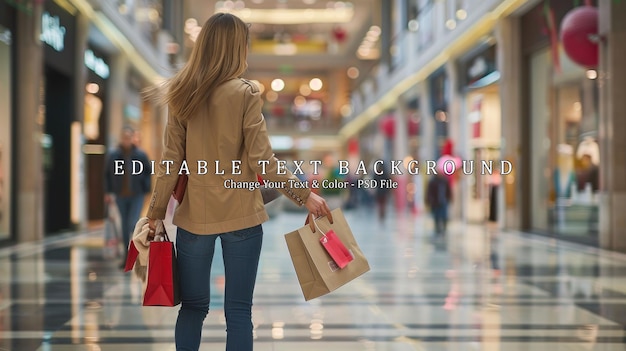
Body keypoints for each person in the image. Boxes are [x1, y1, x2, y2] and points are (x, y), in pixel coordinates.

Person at [144, 13, 330, 351]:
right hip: (242, 215)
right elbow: (264, 162)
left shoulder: (182, 93)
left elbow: (170, 162)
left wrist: (155, 212)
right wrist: (306, 196)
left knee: (193, 308)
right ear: (236, 49)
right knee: (239, 312)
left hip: (194, 217)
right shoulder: (245, 93)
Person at [104, 127, 151, 268]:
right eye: (124, 137)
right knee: (124, 226)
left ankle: (136, 255)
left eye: (129, 137)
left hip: (136, 195)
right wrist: (108, 192)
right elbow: (106, 174)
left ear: (132, 138)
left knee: (132, 223)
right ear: (121, 138)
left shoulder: (141, 155)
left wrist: (146, 190)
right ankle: (126, 257)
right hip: (120, 195)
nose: (126, 140)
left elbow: (148, 173)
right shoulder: (113, 155)